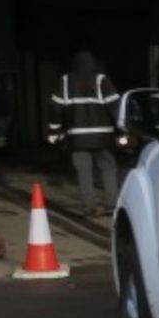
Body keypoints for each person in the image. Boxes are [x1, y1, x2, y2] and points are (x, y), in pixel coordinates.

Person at [48, 51, 121, 215]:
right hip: (103, 136)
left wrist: (54, 130)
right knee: (108, 167)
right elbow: (115, 106)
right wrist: (123, 128)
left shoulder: (66, 81)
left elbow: (55, 107)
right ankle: (111, 205)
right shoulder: (101, 79)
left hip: (77, 137)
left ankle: (90, 206)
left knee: (83, 170)